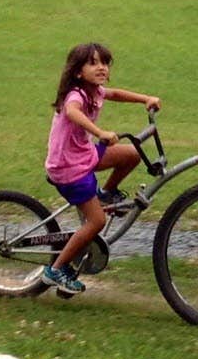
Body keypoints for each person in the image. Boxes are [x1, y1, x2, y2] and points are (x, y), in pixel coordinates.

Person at [41, 41, 161, 297]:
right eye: (93, 63)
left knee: (131, 154)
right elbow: (72, 112)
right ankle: (56, 269)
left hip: (83, 154)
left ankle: (106, 193)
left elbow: (115, 94)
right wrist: (100, 133)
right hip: (68, 166)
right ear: (77, 72)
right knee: (97, 221)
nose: (101, 68)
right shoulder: (75, 95)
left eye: (105, 63)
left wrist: (145, 99)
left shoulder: (95, 91)